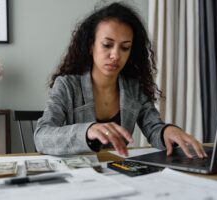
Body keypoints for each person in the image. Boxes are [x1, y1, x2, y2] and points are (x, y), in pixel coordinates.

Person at [34, 2, 207, 158]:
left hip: (119, 172)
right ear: (90, 45)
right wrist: (87, 131)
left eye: (125, 47)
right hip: (80, 175)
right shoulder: (67, 85)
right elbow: (42, 136)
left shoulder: (133, 88)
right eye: (107, 45)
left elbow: (153, 127)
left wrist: (167, 131)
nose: (116, 55)